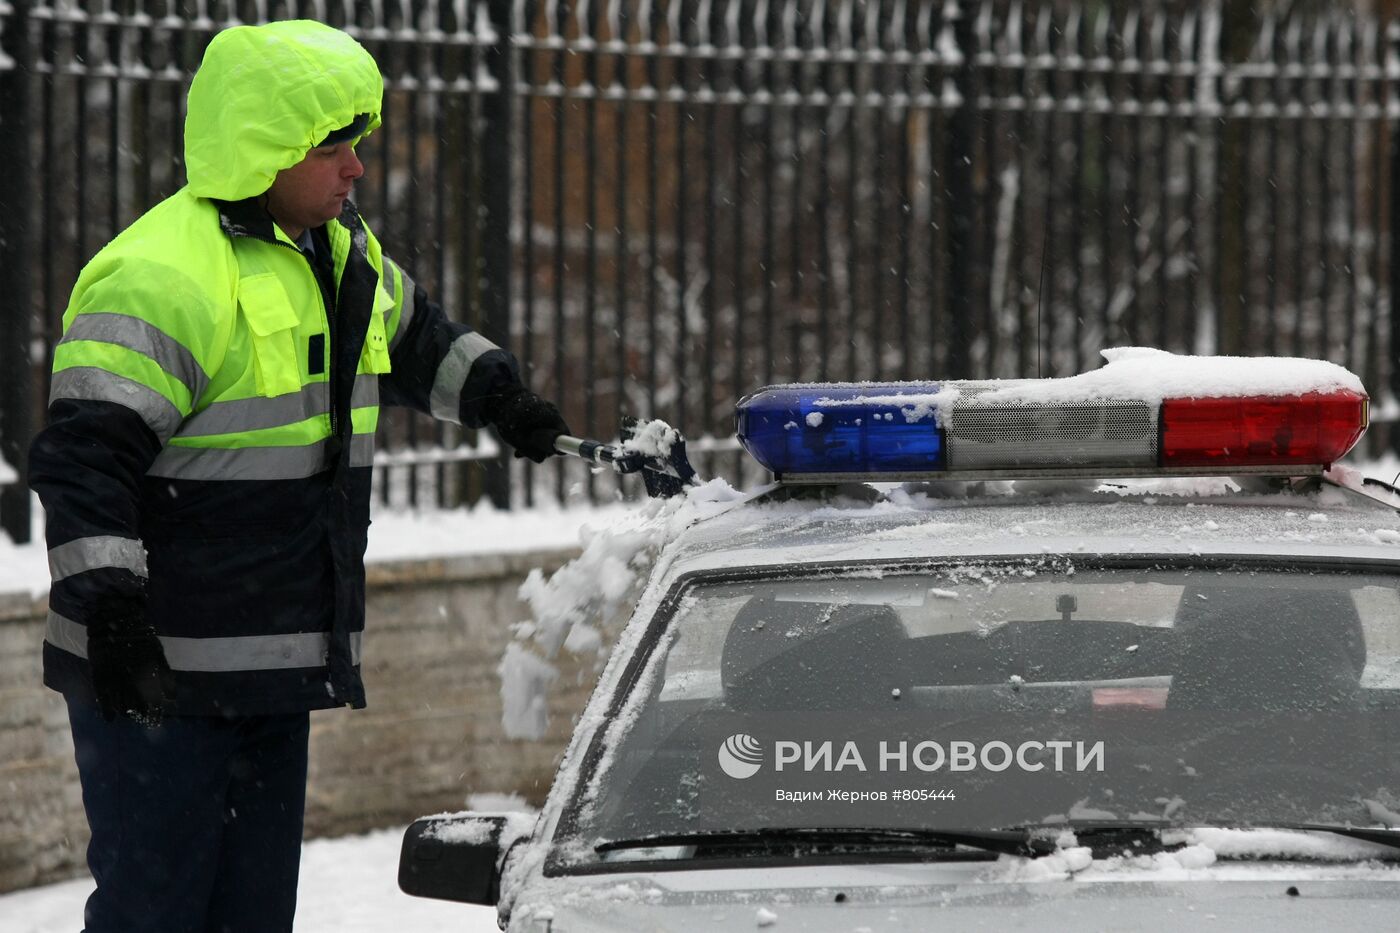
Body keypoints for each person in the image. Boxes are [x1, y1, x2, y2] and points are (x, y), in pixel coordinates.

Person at [26, 20, 569, 932]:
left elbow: (416, 339)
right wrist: (110, 611)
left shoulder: (339, 254)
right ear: (262, 149)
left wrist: (502, 399)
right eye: (331, 145)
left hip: (272, 670)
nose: (355, 166)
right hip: (158, 677)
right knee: (154, 913)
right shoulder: (162, 277)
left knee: (252, 917)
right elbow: (84, 460)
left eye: (357, 140)